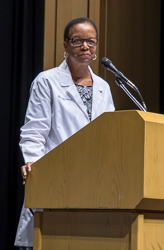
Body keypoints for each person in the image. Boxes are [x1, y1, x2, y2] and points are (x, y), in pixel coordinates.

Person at [14, 17, 115, 249]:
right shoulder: (47, 81)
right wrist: (33, 166)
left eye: (91, 41)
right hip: (56, 180)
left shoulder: (103, 87)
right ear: (65, 45)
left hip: (94, 183)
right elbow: (34, 132)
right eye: (77, 40)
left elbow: (110, 135)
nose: (85, 46)